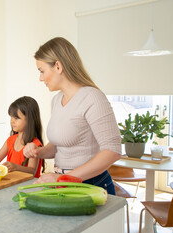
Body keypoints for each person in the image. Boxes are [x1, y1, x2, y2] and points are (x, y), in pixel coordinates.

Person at [23, 37, 121, 194]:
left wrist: (64, 178)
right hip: (64, 182)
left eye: (42, 71)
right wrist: (38, 151)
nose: (40, 78)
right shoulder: (56, 100)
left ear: (58, 66)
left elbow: (113, 150)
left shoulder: (92, 97)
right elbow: (57, 146)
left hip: (91, 185)